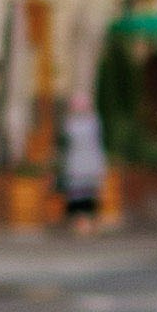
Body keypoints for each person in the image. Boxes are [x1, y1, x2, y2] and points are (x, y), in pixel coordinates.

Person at [59, 91, 106, 228]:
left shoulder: (93, 121)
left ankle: (87, 219)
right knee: (77, 191)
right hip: (77, 162)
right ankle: (79, 220)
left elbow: (96, 143)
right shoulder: (70, 122)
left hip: (88, 161)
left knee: (88, 191)